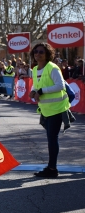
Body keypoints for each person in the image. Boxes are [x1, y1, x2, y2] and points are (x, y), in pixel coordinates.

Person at [29, 43, 70, 178]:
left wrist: (41, 91)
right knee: (51, 138)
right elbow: (36, 86)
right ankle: (51, 167)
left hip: (57, 108)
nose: (38, 54)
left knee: (52, 138)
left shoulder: (52, 68)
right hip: (45, 109)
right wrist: (33, 91)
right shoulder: (35, 69)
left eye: (41, 52)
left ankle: (52, 169)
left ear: (47, 54)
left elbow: (60, 85)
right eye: (36, 51)